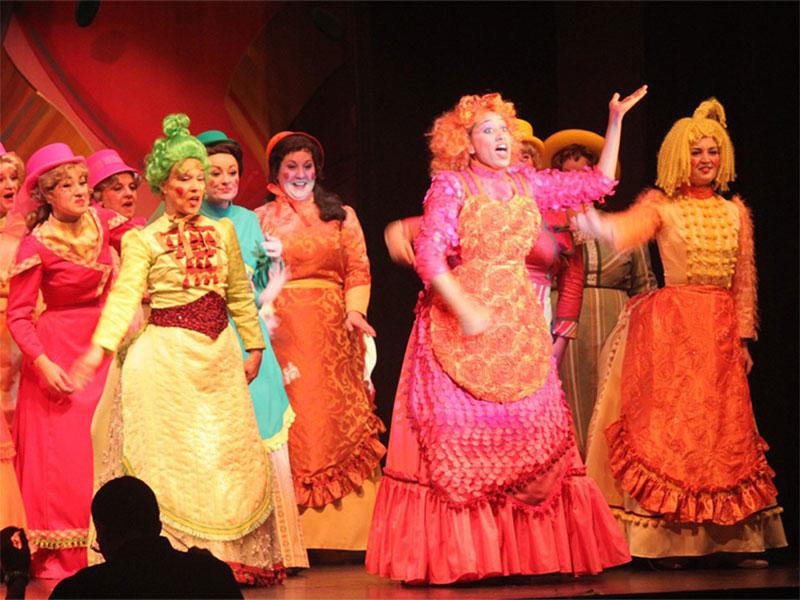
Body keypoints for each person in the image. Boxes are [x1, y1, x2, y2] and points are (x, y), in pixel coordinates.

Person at [366, 87, 646, 584]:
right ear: (467, 143)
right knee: (459, 439)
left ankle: (524, 555)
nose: (501, 138)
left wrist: (616, 121)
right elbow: (429, 255)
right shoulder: (451, 187)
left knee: (533, 439)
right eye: (488, 131)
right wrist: (464, 306)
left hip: (517, 325)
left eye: (505, 131)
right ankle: (466, 558)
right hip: (459, 322)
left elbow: (600, 182)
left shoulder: (526, 183)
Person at [72, 114, 284, 585]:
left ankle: (226, 554)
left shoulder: (224, 233)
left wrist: (254, 347)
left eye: (199, 176)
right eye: (183, 178)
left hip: (219, 353)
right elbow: (125, 296)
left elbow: (237, 297)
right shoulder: (143, 240)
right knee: (175, 459)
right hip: (166, 357)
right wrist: (98, 350)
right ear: (163, 186)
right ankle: (175, 555)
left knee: (223, 453)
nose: (194, 186)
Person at [575, 98, 787, 568]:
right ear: (678, 158)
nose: (706, 160)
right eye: (696, 153)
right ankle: (669, 540)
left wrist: (744, 338)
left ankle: (730, 539)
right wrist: (590, 219)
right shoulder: (662, 206)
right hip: (673, 329)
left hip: (718, 330)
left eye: (712, 151)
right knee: (673, 432)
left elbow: (743, 281)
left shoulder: (735, 213)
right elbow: (622, 231)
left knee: (722, 433)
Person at [6, 143, 133, 579]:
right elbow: (19, 316)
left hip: (102, 343)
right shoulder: (35, 245)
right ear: (47, 195)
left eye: (82, 182)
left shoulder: (102, 222)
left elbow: (140, 240)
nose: (81, 191)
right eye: (67, 185)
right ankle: (66, 552)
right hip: (59, 352)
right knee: (68, 457)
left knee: (110, 447)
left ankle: (119, 545)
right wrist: (42, 364)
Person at [255, 131, 385, 552]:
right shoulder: (260, 219)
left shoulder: (340, 215)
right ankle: (294, 538)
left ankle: (349, 536)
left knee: (334, 419)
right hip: (282, 331)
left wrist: (355, 311)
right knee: (292, 420)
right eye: (291, 166)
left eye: (306, 166)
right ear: (277, 171)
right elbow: (253, 279)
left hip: (334, 328)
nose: (300, 174)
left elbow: (359, 270)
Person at [196, 129, 307, 569]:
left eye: (233, 172)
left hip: (249, 333)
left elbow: (261, 292)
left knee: (262, 421)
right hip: (205, 331)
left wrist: (274, 264)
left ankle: (272, 548)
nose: (225, 180)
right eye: (215, 172)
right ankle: (218, 547)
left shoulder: (246, 219)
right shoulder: (184, 216)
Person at [383, 119, 584, 363]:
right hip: (478, 312)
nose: (517, 162)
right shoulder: (471, 198)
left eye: (526, 158)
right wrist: (397, 231)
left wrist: (562, 336)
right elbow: (429, 232)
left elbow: (572, 279)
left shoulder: (553, 216)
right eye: (516, 156)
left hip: (532, 316)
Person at [542, 130, 657, 455]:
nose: (577, 182)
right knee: (570, 402)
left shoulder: (619, 225)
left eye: (585, 173)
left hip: (616, 326)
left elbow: (645, 285)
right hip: (562, 327)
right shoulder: (548, 231)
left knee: (614, 405)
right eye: (569, 174)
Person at [50, 477, 242, 599]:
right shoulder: (210, 577)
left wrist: (20, 582)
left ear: (103, 532)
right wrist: (210, 569)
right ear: (158, 526)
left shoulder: (78, 591)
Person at [0, 144, 27, 425]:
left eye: (12, 177)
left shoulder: (24, 230)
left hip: (17, 331)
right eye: (0, 179)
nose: (9, 185)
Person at [87, 149, 146, 227]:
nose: (129, 193)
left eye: (132, 187)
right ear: (98, 197)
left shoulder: (143, 228)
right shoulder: (93, 235)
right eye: (118, 189)